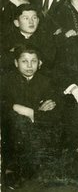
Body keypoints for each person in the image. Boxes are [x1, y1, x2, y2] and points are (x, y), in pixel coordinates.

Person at [1, 45, 60, 187]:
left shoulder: (46, 82)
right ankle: (11, 169)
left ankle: (34, 168)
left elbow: (52, 106)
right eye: (24, 61)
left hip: (37, 127)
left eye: (33, 61)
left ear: (39, 64)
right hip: (12, 129)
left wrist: (29, 112)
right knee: (16, 121)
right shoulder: (5, 81)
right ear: (16, 63)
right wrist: (15, 107)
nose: (29, 66)